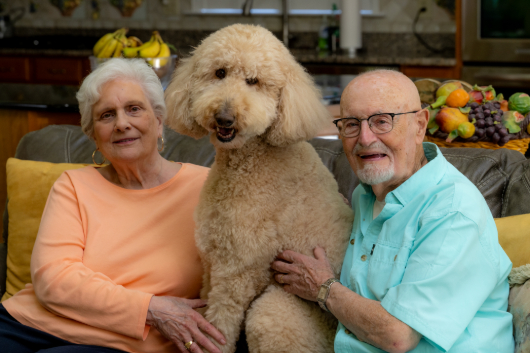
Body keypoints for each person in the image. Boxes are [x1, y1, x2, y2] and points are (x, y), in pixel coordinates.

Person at [272, 70, 514, 352]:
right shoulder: (366, 195)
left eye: (381, 121)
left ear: (420, 125)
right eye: (351, 124)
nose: (364, 138)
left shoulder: (452, 210)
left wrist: (324, 288)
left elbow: (398, 334)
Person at [0, 58, 225, 353]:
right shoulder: (73, 186)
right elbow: (54, 279)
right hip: (28, 324)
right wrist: (150, 308)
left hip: (122, 344)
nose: (122, 124)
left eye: (134, 109)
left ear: (158, 122)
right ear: (94, 134)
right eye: (107, 115)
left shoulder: (211, 189)